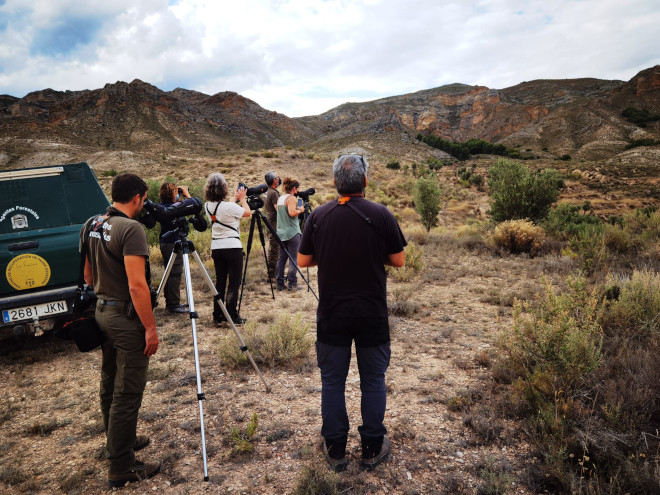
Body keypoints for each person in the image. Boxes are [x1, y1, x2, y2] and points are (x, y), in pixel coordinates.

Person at [298, 154, 406, 472]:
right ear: (365, 182)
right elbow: (398, 260)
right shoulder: (381, 214)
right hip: (372, 313)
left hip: (332, 313)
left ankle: (335, 450)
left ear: (335, 183)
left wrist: (330, 254)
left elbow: (303, 261)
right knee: (373, 380)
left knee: (333, 382)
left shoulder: (319, 215)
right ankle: (373, 448)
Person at [81, 173, 161, 487]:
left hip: (101, 311)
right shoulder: (131, 229)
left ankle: (117, 442)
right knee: (127, 393)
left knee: (110, 381)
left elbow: (88, 274)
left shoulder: (92, 224)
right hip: (125, 319)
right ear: (137, 198)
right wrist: (150, 328)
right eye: (143, 199)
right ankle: (122, 466)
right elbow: (137, 286)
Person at [204, 172, 251, 325]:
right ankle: (232, 316)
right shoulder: (229, 207)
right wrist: (243, 199)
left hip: (217, 247)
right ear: (224, 188)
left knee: (220, 282)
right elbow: (247, 213)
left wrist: (235, 200)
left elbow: (222, 209)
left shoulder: (208, 206)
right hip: (232, 247)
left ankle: (218, 315)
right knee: (234, 283)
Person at [158, 182, 191, 314]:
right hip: (173, 243)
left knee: (169, 273)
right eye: (176, 191)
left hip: (165, 242)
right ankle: (173, 305)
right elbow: (193, 206)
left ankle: (171, 302)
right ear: (173, 194)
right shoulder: (175, 207)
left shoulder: (161, 207)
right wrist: (187, 195)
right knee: (175, 274)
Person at [275, 177, 304, 291]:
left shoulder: (281, 198)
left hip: (281, 233)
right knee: (293, 258)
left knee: (281, 258)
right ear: (294, 188)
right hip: (292, 232)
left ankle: (280, 283)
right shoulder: (291, 198)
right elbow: (292, 213)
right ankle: (292, 283)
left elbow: (283, 212)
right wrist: (301, 210)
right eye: (298, 188)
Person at [263, 171, 280, 282]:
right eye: (278, 177)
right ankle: (272, 275)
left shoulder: (266, 192)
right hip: (274, 223)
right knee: (274, 249)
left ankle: (273, 273)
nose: (279, 179)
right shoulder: (273, 193)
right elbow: (278, 209)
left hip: (269, 221)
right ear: (274, 180)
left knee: (273, 248)